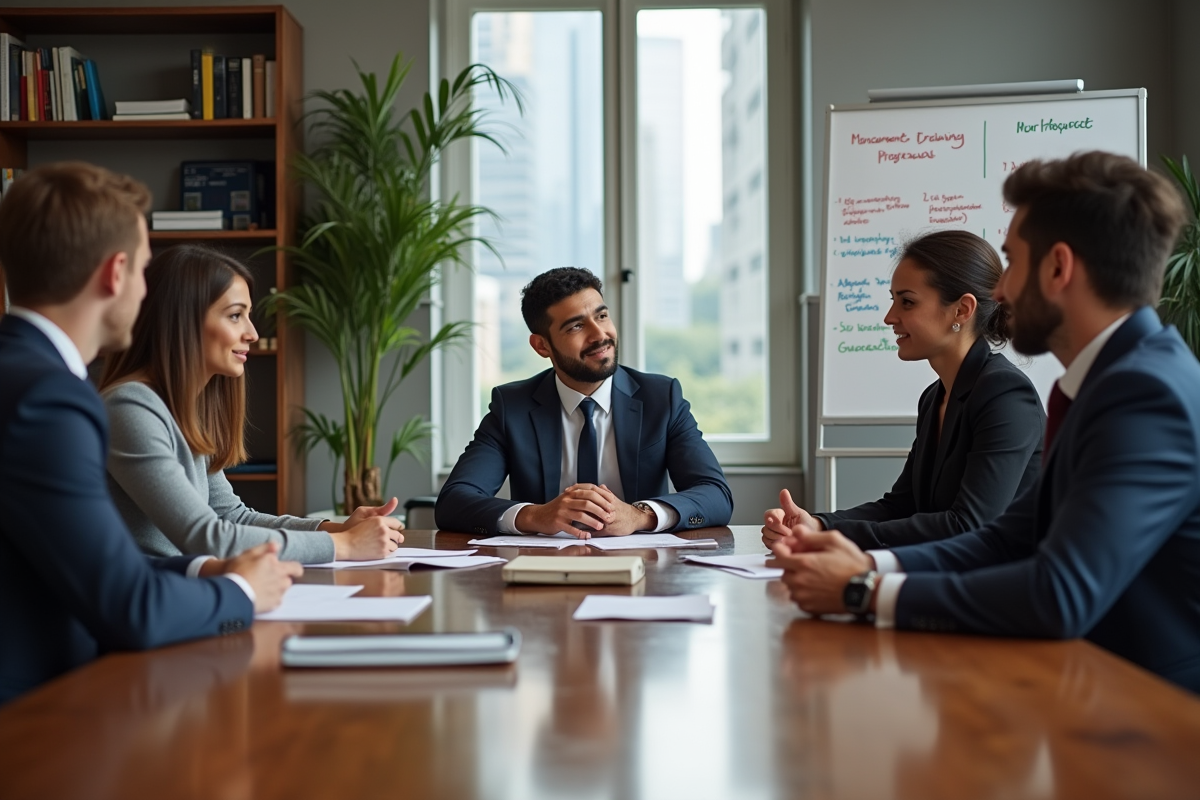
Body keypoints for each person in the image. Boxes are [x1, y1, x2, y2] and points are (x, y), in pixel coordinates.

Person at [768, 151, 1200, 693]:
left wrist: (863, 590)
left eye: (1013, 262)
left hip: (1153, 714)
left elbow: (1058, 594)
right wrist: (866, 562)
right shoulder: (1110, 381)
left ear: (1059, 267)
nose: (1002, 291)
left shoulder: (1144, 393)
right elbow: (1003, 539)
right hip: (1093, 690)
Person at [0, 162, 301, 704]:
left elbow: (81, 558)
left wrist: (205, 567)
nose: (146, 293)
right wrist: (239, 590)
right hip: (38, 714)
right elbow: (127, 607)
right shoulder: (50, 401)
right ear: (115, 274)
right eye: (143, 271)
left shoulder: (24, 377)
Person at [98, 244, 404, 564]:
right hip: (153, 602)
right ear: (182, 321)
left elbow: (232, 517)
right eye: (235, 316)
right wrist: (344, 546)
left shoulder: (184, 408)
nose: (253, 333)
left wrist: (338, 530)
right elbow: (206, 536)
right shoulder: (129, 407)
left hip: (188, 593)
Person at [763, 230, 1044, 551]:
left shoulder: (1005, 394)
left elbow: (968, 524)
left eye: (907, 302)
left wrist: (828, 538)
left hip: (1004, 590)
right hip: (948, 577)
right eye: (893, 300)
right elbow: (902, 505)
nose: (889, 317)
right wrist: (818, 524)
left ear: (962, 310)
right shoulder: (934, 397)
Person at [435, 267, 733, 537]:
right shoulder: (512, 407)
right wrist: (535, 515)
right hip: (544, 575)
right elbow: (454, 501)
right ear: (542, 345)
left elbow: (715, 494)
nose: (600, 334)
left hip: (645, 572)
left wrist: (639, 516)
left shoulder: (661, 398)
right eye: (576, 327)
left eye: (602, 316)